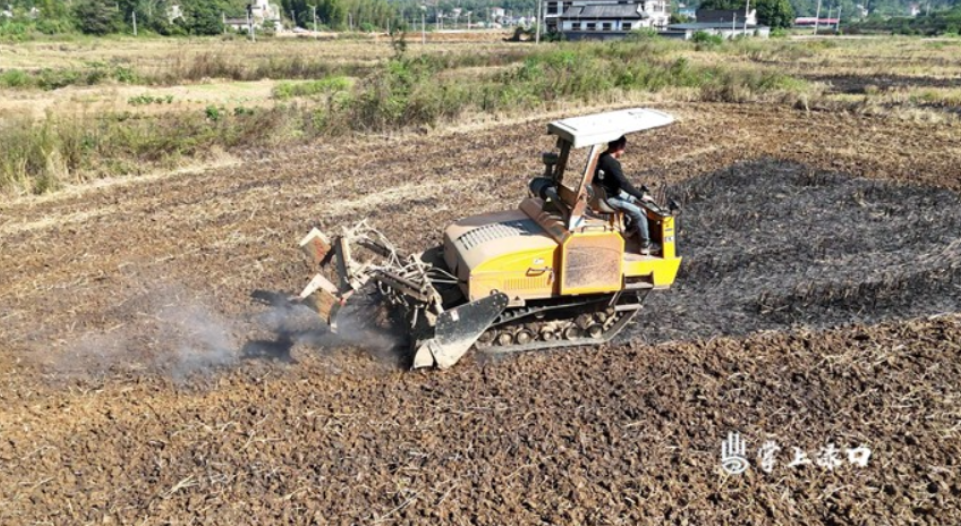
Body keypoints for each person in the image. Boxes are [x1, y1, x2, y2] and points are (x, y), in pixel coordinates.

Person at [593, 135, 654, 255]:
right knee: (640, 213)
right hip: (610, 199)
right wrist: (641, 196)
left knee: (632, 200)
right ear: (619, 147)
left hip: (602, 195)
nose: (624, 150)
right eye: (623, 147)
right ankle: (645, 246)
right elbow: (623, 183)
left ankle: (630, 230)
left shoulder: (601, 157)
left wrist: (634, 196)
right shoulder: (613, 164)